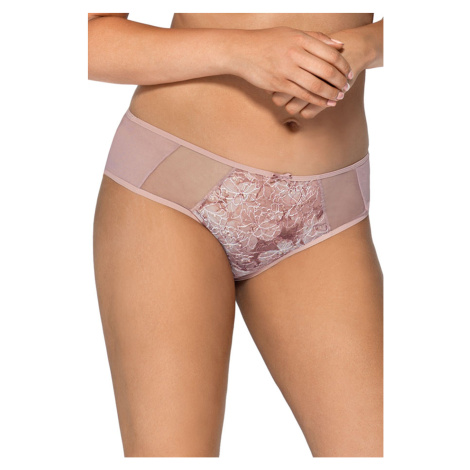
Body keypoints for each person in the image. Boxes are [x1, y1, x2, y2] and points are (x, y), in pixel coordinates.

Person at [89, 12, 384, 457]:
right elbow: (83, 38)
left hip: (325, 211)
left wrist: (367, 45)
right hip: (174, 188)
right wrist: (241, 51)